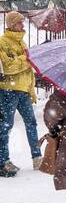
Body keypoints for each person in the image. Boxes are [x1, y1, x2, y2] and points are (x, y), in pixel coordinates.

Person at [0, 10, 43, 175]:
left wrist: (31, 90)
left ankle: (37, 157)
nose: (22, 25)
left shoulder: (22, 42)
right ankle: (3, 160)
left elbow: (27, 70)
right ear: (12, 24)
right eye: (19, 22)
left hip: (23, 90)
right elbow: (8, 67)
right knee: (5, 126)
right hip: (8, 90)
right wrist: (26, 58)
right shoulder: (3, 42)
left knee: (31, 124)